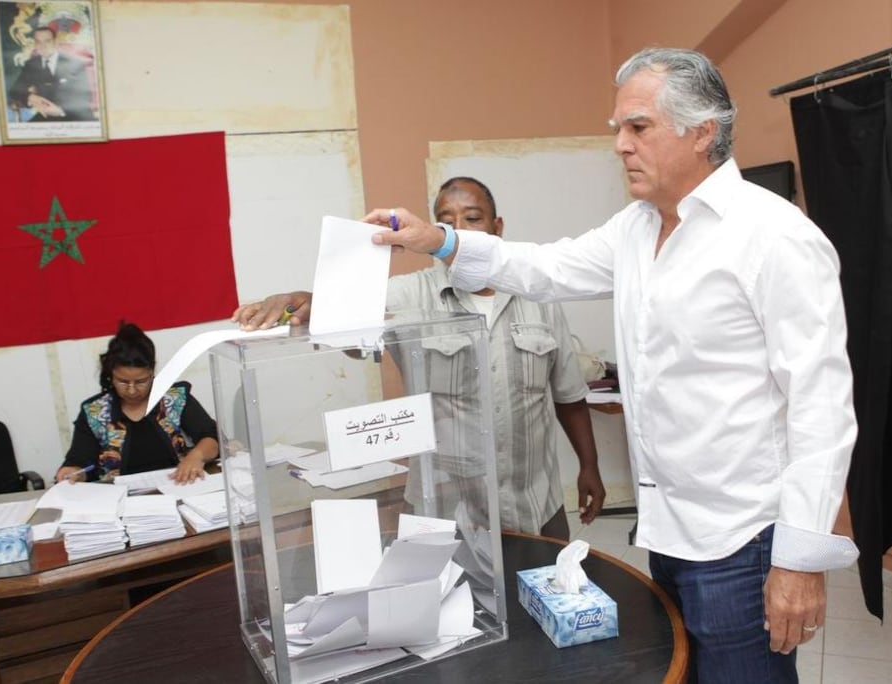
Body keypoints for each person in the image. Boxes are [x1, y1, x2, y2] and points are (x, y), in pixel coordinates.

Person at [364, 48, 859, 683]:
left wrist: (799, 561)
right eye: (618, 130)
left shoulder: (775, 237)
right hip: (669, 530)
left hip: (743, 538)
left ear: (702, 129)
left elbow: (822, 405)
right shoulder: (636, 228)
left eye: (638, 127)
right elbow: (543, 268)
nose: (621, 145)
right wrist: (442, 241)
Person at [232, 177, 606, 540]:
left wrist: (589, 467)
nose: (460, 229)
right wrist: (305, 299)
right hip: (445, 510)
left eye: (473, 218)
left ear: (497, 227)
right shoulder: (409, 298)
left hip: (535, 503)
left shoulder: (539, 296)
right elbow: (343, 309)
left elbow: (568, 395)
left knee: (543, 600)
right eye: (445, 221)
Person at [55, 321, 219, 485]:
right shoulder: (95, 412)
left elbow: (211, 437)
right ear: (111, 374)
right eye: (123, 382)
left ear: (152, 371)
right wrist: (74, 473)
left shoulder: (174, 399)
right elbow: (79, 462)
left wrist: (196, 456)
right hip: (117, 499)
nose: (132, 390)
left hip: (177, 486)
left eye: (141, 381)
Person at [6, 26, 95, 122]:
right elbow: (14, 91)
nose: (42, 46)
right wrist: (30, 97)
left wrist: (61, 111)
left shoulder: (75, 63)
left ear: (55, 42)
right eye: (38, 42)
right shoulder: (31, 64)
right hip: (46, 117)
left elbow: (85, 96)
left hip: (75, 116)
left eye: (47, 41)